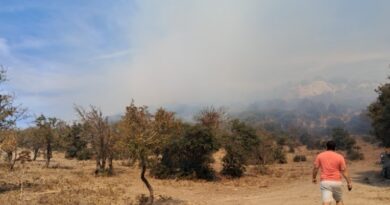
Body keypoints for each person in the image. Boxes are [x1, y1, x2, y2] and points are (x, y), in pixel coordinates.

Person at [312, 140, 352, 205]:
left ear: (326, 147)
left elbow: (315, 168)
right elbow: (344, 171)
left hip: (325, 182)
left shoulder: (320, 156)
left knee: (326, 202)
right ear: (335, 147)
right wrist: (349, 182)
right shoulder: (340, 157)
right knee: (338, 200)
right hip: (337, 182)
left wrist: (314, 178)